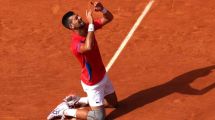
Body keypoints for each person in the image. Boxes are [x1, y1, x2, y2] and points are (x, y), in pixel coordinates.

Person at [47, 1, 118, 120]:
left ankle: (79, 101)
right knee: (99, 117)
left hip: (102, 75)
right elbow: (88, 46)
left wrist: (102, 9)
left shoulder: (87, 28)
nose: (79, 17)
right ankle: (65, 111)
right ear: (72, 26)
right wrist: (91, 24)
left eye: (77, 15)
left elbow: (108, 18)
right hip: (92, 83)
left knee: (113, 104)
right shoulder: (75, 44)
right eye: (76, 18)